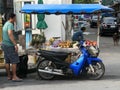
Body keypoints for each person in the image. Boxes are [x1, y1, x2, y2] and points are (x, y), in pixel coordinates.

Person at [1, 13, 22, 81]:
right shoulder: (10, 24)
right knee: (14, 61)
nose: (15, 19)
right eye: (15, 18)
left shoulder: (5, 24)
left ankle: (9, 76)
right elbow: (10, 34)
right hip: (9, 45)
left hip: (4, 44)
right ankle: (14, 76)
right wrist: (15, 44)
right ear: (11, 18)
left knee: (7, 61)